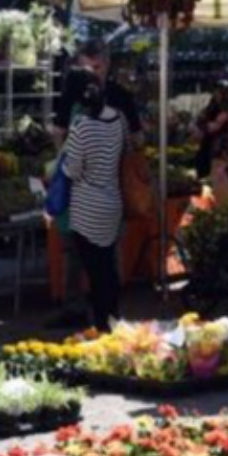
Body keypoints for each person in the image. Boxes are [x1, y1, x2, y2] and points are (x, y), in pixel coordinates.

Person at [48, 40, 145, 326]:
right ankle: (101, 313)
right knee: (94, 259)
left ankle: (101, 316)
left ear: (107, 65)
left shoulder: (93, 118)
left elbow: (72, 164)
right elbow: (132, 143)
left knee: (96, 260)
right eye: (86, 68)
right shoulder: (115, 117)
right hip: (109, 196)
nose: (92, 73)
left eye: (97, 67)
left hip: (86, 200)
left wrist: (69, 157)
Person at [62, 68, 128, 330]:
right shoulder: (119, 120)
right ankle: (113, 316)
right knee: (108, 266)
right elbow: (124, 152)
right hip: (113, 201)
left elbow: (73, 169)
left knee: (94, 270)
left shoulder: (82, 127)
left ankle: (102, 323)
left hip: (86, 207)